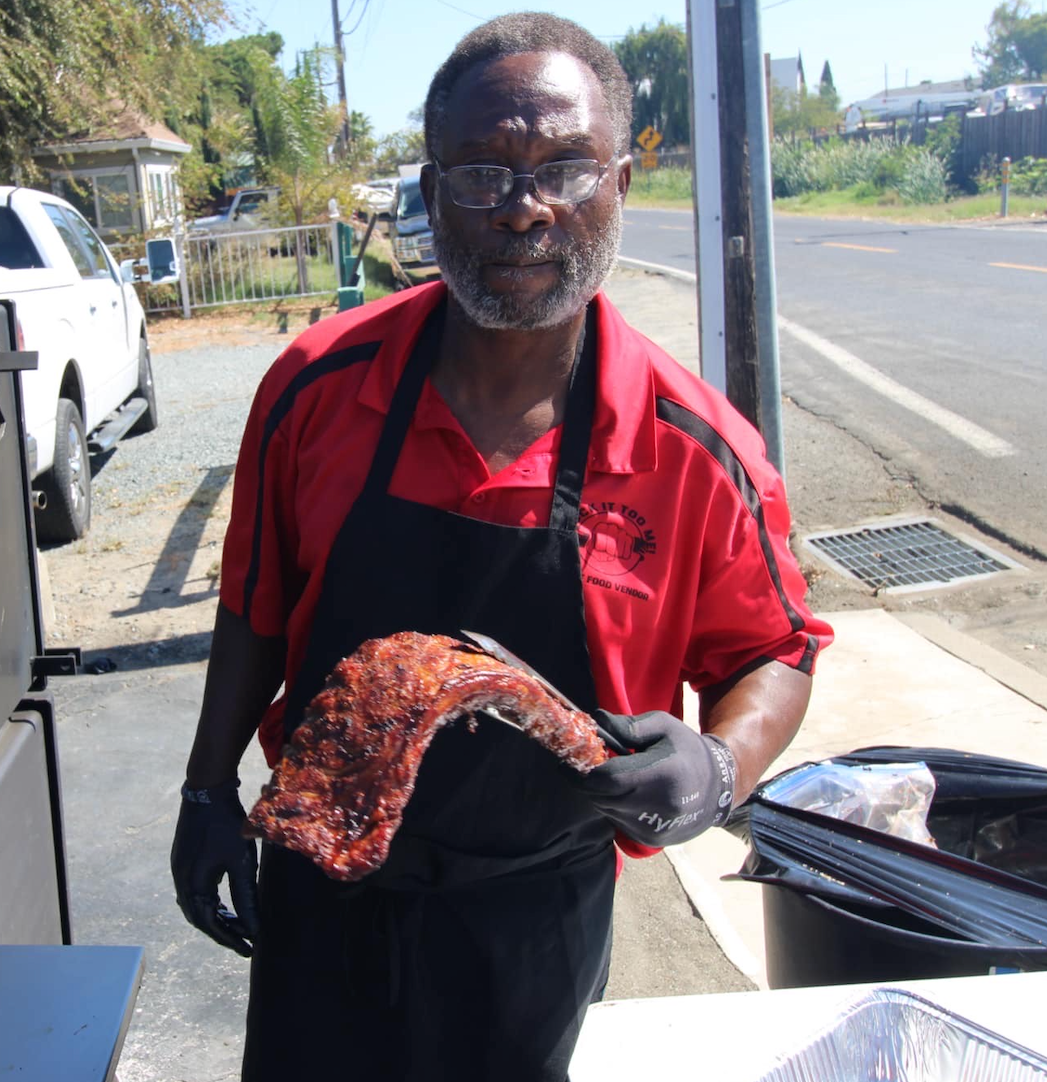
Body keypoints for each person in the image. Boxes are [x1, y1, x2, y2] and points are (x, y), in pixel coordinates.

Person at [170, 12, 834, 1081]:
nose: (523, 208)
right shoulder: (315, 388)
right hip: (321, 880)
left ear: (621, 182)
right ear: (430, 196)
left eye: (565, 168)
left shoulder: (695, 448)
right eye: (481, 172)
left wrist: (719, 763)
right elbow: (254, 603)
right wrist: (207, 790)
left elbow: (775, 649)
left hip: (536, 919)